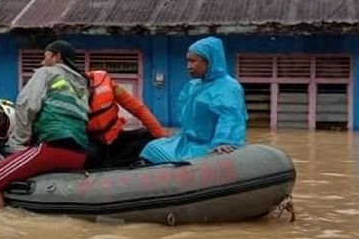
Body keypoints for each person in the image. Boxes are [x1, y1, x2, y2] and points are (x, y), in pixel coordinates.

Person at [0, 40, 89, 212]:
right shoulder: (82, 85)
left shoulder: (46, 73)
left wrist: (19, 141)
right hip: (80, 153)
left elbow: (27, 105)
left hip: (54, 148)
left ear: (57, 56)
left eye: (45, 57)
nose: (42, 62)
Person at [140, 36, 247, 164]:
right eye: (187, 61)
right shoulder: (193, 86)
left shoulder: (228, 87)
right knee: (152, 147)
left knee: (181, 163)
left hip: (208, 144)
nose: (188, 66)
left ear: (209, 61)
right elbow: (185, 116)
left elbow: (230, 117)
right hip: (187, 141)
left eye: (193, 61)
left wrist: (223, 142)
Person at [84, 69, 167, 169]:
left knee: (149, 136)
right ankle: (112, 162)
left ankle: (114, 162)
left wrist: (163, 139)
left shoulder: (108, 85)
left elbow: (137, 108)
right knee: (91, 155)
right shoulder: (67, 95)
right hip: (91, 142)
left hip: (116, 138)